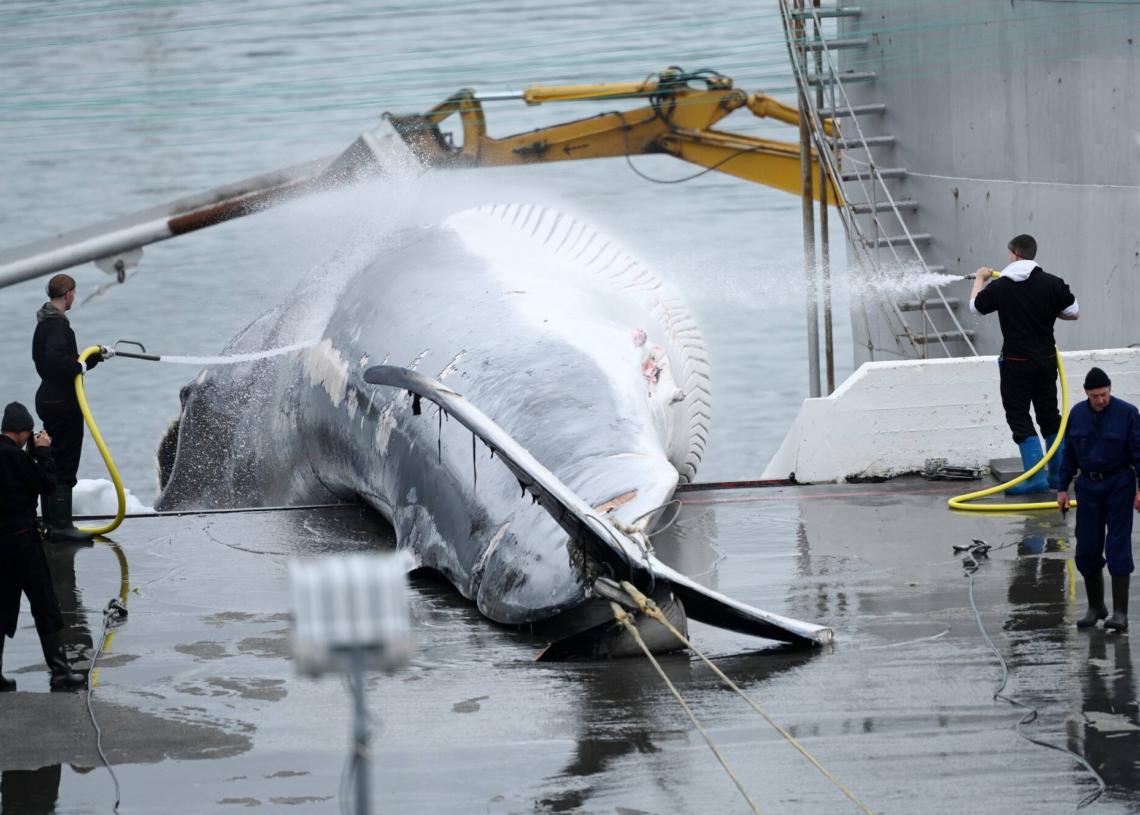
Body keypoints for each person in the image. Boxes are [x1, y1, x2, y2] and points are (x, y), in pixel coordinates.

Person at [971, 234, 1079, 494]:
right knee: (1049, 415)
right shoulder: (1053, 283)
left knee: (1019, 417)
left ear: (1015, 254)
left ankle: (1034, 479)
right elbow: (1073, 313)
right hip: (1046, 360)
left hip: (1016, 362)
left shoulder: (1001, 286)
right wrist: (1044, 309)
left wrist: (979, 279)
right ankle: (1057, 477)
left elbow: (976, 307)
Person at [0, 401, 85, 691]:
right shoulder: (15, 457)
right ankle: (61, 673)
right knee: (44, 602)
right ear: (23, 432)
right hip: (22, 541)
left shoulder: (8, 454)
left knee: (1, 605)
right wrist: (45, 453)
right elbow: (48, 484)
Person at [1056, 367, 1140, 631]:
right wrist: (1062, 489)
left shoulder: (1128, 413)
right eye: (1095, 396)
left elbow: (1139, 452)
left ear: (1110, 390)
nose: (1100, 400)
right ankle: (1096, 607)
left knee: (1117, 545)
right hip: (1088, 487)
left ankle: (1120, 614)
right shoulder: (1077, 414)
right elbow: (1068, 454)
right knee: (1087, 547)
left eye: (1104, 394)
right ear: (1086, 394)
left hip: (1119, 485)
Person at [32, 273, 110, 542]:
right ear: (68, 294)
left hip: (49, 397)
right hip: (62, 401)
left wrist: (94, 358)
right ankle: (62, 527)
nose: (75, 297)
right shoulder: (56, 325)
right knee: (64, 462)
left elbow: (60, 360)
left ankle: (52, 524)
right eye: (74, 293)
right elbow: (58, 360)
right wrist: (78, 366)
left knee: (51, 458)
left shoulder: (45, 323)